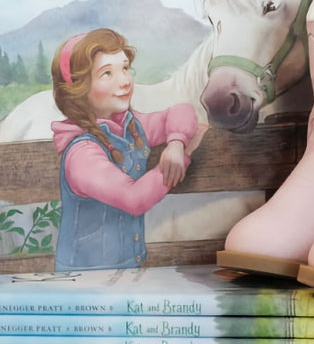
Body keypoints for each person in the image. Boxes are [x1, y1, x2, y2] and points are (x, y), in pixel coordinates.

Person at [50, 28, 204, 270]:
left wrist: (176, 142)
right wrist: (183, 157)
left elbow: (182, 111)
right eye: (106, 74)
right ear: (78, 88)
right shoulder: (82, 154)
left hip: (128, 268)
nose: (124, 81)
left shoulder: (130, 127)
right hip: (85, 279)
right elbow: (134, 199)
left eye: (124, 68)